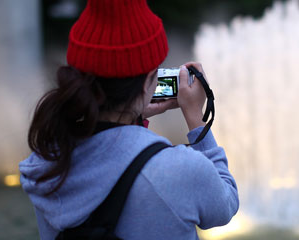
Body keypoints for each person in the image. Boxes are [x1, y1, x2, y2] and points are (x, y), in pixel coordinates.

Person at [19, 0, 239, 239]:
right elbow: (225, 204)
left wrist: (134, 120)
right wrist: (196, 119)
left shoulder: (46, 164)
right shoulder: (178, 170)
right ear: (147, 82)